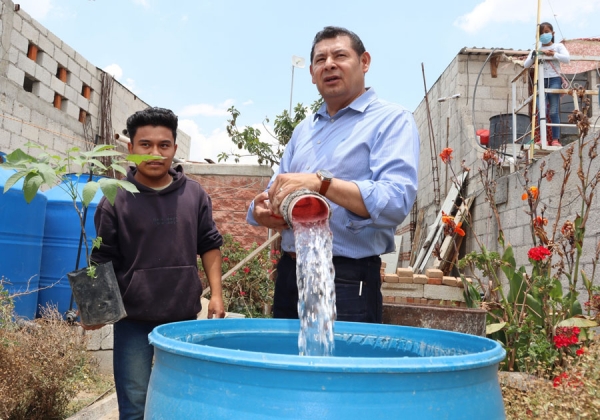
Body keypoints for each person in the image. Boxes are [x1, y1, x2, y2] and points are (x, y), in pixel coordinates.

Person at [247, 26, 419, 323]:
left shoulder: (391, 120)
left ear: (364, 62)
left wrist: (320, 183)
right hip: (291, 273)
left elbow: (395, 200)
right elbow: (275, 186)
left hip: (347, 279)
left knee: (342, 368)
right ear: (313, 74)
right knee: (288, 367)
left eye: (340, 55)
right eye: (320, 59)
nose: (329, 64)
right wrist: (261, 209)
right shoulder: (304, 130)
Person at [86, 107, 226, 420]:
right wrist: (94, 306)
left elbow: (210, 245)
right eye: (145, 145)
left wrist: (216, 293)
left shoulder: (194, 195)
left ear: (175, 149)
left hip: (183, 319)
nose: (155, 153)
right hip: (133, 321)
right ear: (131, 149)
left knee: (183, 402)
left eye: (164, 145)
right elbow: (101, 255)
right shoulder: (115, 199)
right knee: (135, 404)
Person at [524, 22, 570, 146]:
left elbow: (567, 58)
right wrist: (534, 56)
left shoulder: (558, 46)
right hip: (541, 81)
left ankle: (555, 139)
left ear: (552, 33)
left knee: (554, 111)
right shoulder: (536, 50)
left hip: (554, 79)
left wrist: (553, 54)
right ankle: (542, 138)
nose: (544, 35)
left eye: (546, 32)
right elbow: (526, 64)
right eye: (541, 33)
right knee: (541, 110)